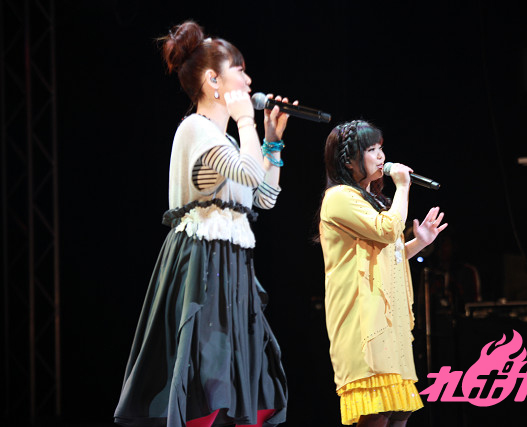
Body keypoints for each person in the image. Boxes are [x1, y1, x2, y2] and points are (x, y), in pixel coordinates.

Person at [114, 21, 294, 427]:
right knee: (207, 377)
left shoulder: (224, 142)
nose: (248, 80)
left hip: (231, 262)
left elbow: (263, 197)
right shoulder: (196, 129)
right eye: (240, 70)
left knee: (244, 378)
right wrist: (246, 121)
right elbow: (249, 172)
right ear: (214, 80)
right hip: (204, 262)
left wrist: (272, 143)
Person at [318, 120, 448, 426]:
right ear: (348, 160)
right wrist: (403, 187)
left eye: (381, 148)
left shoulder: (373, 201)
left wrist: (419, 242)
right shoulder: (339, 197)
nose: (381, 156)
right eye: (371, 149)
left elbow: (389, 253)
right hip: (362, 318)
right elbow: (388, 230)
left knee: (400, 411)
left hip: (387, 319)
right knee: (377, 411)